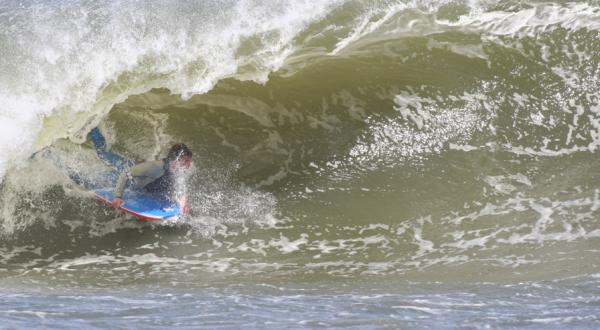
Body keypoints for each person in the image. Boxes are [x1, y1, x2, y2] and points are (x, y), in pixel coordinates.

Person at [90, 127, 193, 215]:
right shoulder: (155, 168)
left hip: (140, 177)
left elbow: (181, 188)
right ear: (176, 159)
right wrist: (118, 196)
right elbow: (125, 174)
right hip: (128, 173)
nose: (189, 165)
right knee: (103, 154)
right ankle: (92, 126)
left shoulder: (179, 172)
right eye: (186, 161)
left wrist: (184, 204)